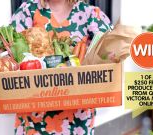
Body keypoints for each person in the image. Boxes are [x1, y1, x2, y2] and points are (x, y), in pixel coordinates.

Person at [11, 0, 114, 134]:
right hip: (34, 116)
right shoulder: (28, 10)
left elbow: (111, 46)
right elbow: (7, 49)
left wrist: (109, 53)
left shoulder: (90, 13)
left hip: (78, 116)